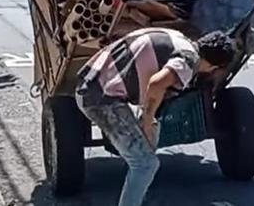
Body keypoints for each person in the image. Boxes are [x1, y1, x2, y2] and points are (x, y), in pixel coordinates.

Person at [75, 28, 236, 206]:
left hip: (95, 83)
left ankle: (136, 197)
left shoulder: (179, 38)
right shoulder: (189, 61)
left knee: (149, 144)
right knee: (145, 165)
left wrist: (150, 122)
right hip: (99, 98)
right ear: (214, 67)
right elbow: (156, 83)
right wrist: (147, 118)